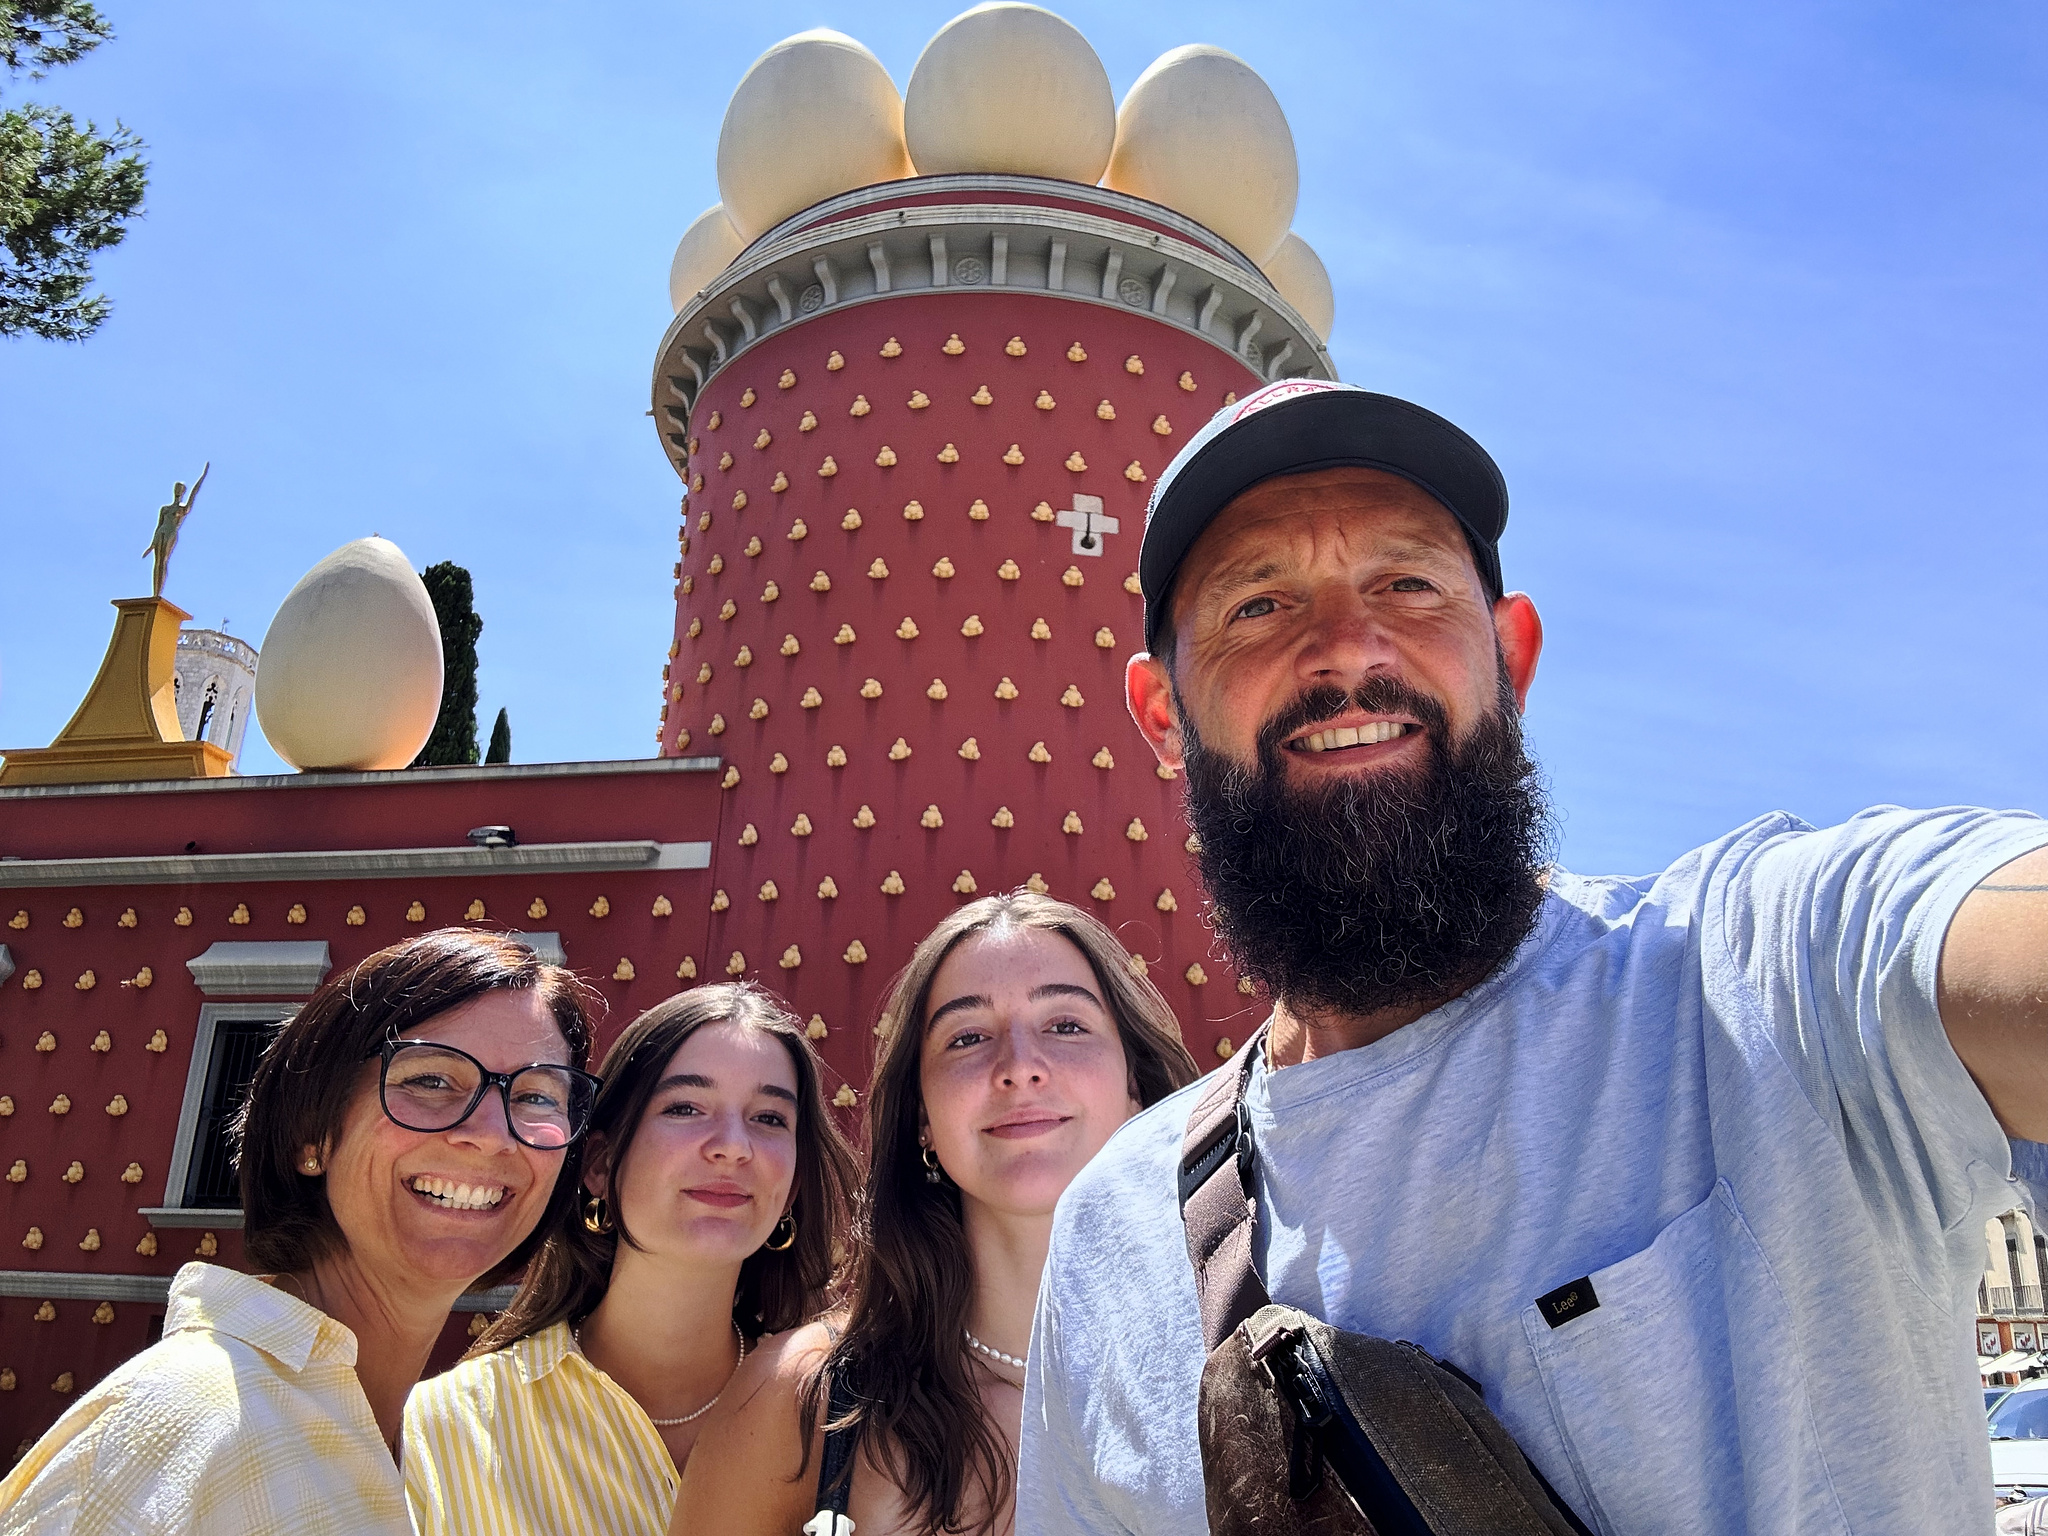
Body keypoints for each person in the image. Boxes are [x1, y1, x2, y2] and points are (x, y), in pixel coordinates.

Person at [1017, 378, 2048, 1536]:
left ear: (1511, 653)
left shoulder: (1758, 977)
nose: (1346, 648)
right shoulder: (1115, 1236)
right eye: (1257, 605)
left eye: (1405, 584)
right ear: (1161, 712)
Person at [0, 930, 596, 1535]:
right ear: (312, 1136)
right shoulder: (182, 1424)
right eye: (430, 1081)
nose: (492, 1134)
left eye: (536, 1096)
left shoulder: (434, 1455)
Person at [673, 892, 1198, 1535]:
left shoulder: (1235, 1374)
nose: (1020, 1068)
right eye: (968, 1037)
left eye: (1065, 1025)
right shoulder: (797, 1403)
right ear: (923, 1116)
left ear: (1134, 1086)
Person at [403, 981, 858, 1534]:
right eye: (686, 1107)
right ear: (599, 1163)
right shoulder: (440, 1432)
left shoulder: (844, 1419)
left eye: (769, 1118)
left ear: (791, 1188)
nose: (733, 1146)